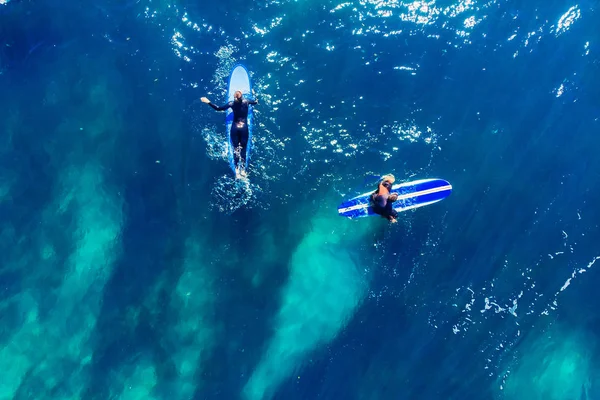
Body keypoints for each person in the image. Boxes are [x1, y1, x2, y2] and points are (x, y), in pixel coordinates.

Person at [201, 90, 258, 178]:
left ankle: (236, 170)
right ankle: (242, 170)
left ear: (234, 97)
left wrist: (208, 102)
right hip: (244, 128)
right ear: (241, 96)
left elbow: (218, 108)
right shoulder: (246, 101)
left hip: (235, 128)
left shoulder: (231, 104)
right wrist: (255, 95)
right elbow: (255, 102)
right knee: (243, 149)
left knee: (235, 149)